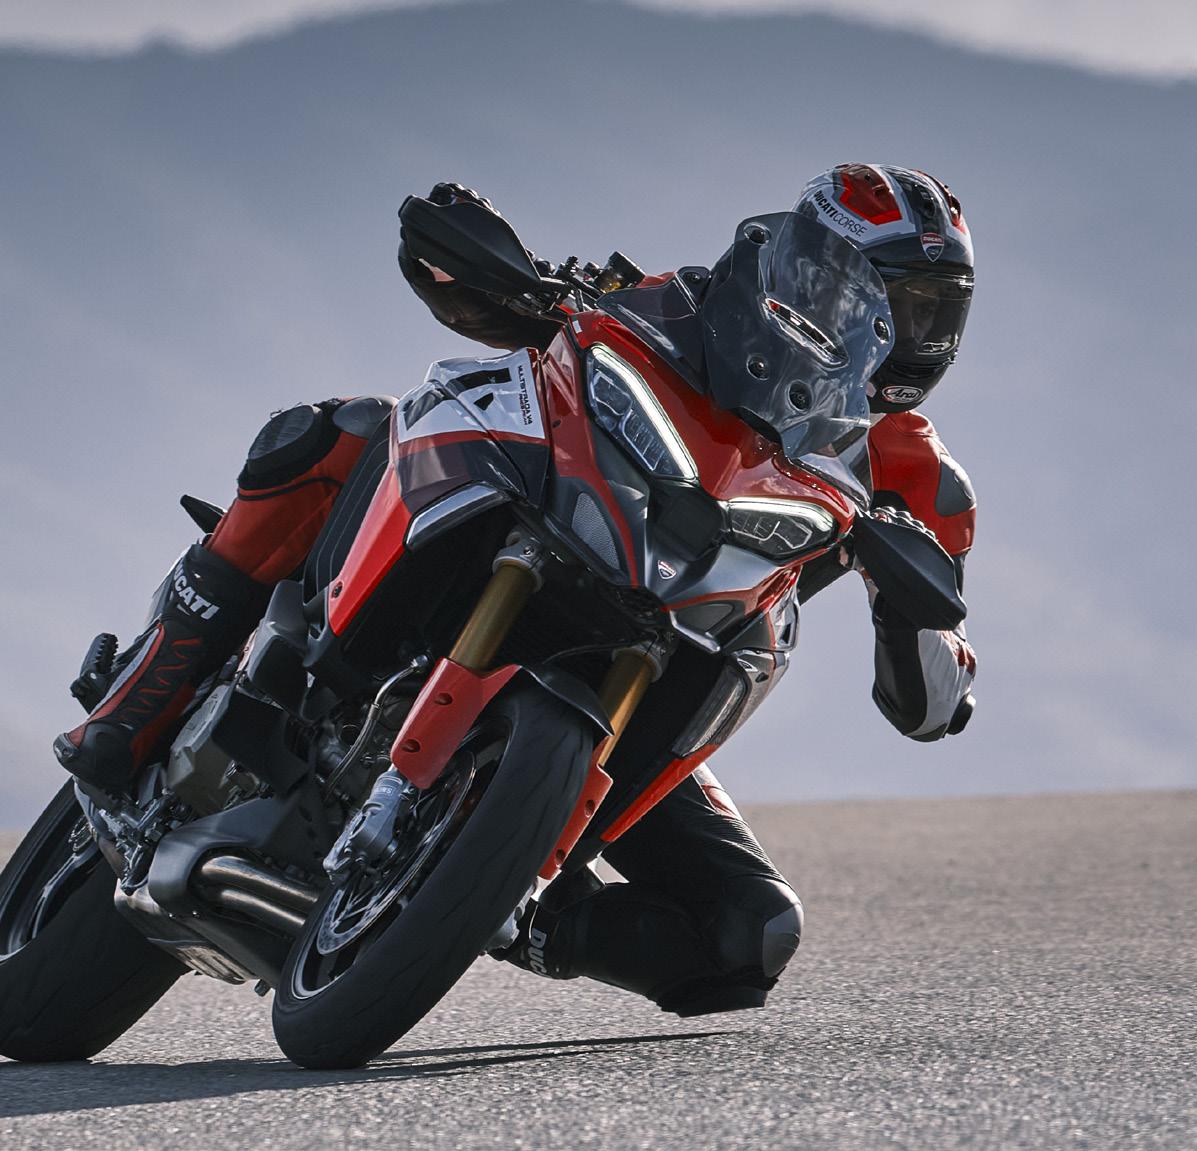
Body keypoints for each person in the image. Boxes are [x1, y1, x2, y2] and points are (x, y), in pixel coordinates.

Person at [55, 164, 977, 1017]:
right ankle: (143, 695)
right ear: (807, 272)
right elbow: (541, 311)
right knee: (343, 430)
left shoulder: (920, 476)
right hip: (570, 520)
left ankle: (498, 903)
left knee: (749, 932)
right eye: (886, 298)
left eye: (932, 310)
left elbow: (933, 700)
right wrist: (503, 276)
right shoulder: (693, 308)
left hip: (675, 646)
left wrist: (910, 611)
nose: (906, 330)